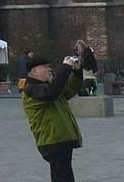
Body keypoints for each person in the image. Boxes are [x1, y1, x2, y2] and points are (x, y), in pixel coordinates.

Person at [22, 54, 83, 182]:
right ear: (34, 71)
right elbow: (51, 93)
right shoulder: (31, 89)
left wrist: (77, 72)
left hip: (60, 139)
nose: (49, 69)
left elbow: (71, 88)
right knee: (62, 177)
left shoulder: (48, 87)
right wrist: (66, 67)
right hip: (52, 140)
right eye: (45, 67)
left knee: (64, 176)